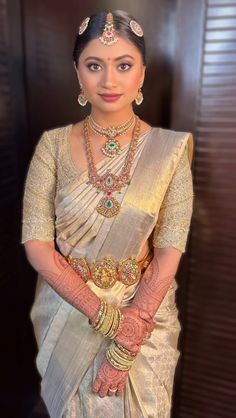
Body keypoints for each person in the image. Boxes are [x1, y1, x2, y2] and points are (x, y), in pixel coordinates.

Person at [21, 10, 194, 418]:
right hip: (69, 314)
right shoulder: (53, 147)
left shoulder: (169, 152)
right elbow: (37, 244)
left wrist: (130, 338)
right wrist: (108, 320)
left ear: (143, 74)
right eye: (94, 65)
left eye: (124, 65)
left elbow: (170, 248)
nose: (109, 80)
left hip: (145, 316)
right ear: (78, 73)